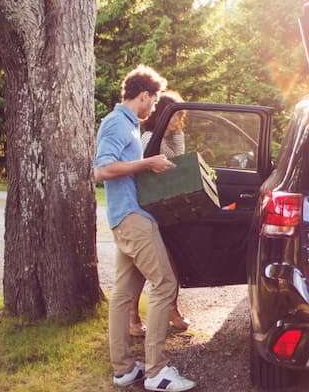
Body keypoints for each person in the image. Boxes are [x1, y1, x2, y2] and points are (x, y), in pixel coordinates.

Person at [94, 64, 196, 392]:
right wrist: (148, 163)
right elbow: (102, 170)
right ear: (143, 95)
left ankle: (124, 370)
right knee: (165, 283)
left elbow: (123, 169)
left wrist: (150, 171)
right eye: (152, 102)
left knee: (123, 296)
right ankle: (156, 373)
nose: (153, 109)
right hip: (132, 220)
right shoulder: (116, 124)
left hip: (126, 216)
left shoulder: (128, 125)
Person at [131, 90, 192, 336]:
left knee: (172, 261)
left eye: (181, 116)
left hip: (167, 210)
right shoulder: (148, 139)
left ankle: (172, 310)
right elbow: (170, 168)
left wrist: (176, 131)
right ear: (162, 116)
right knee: (143, 268)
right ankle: (133, 317)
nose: (180, 122)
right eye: (175, 117)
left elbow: (179, 160)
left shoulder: (170, 138)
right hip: (149, 211)